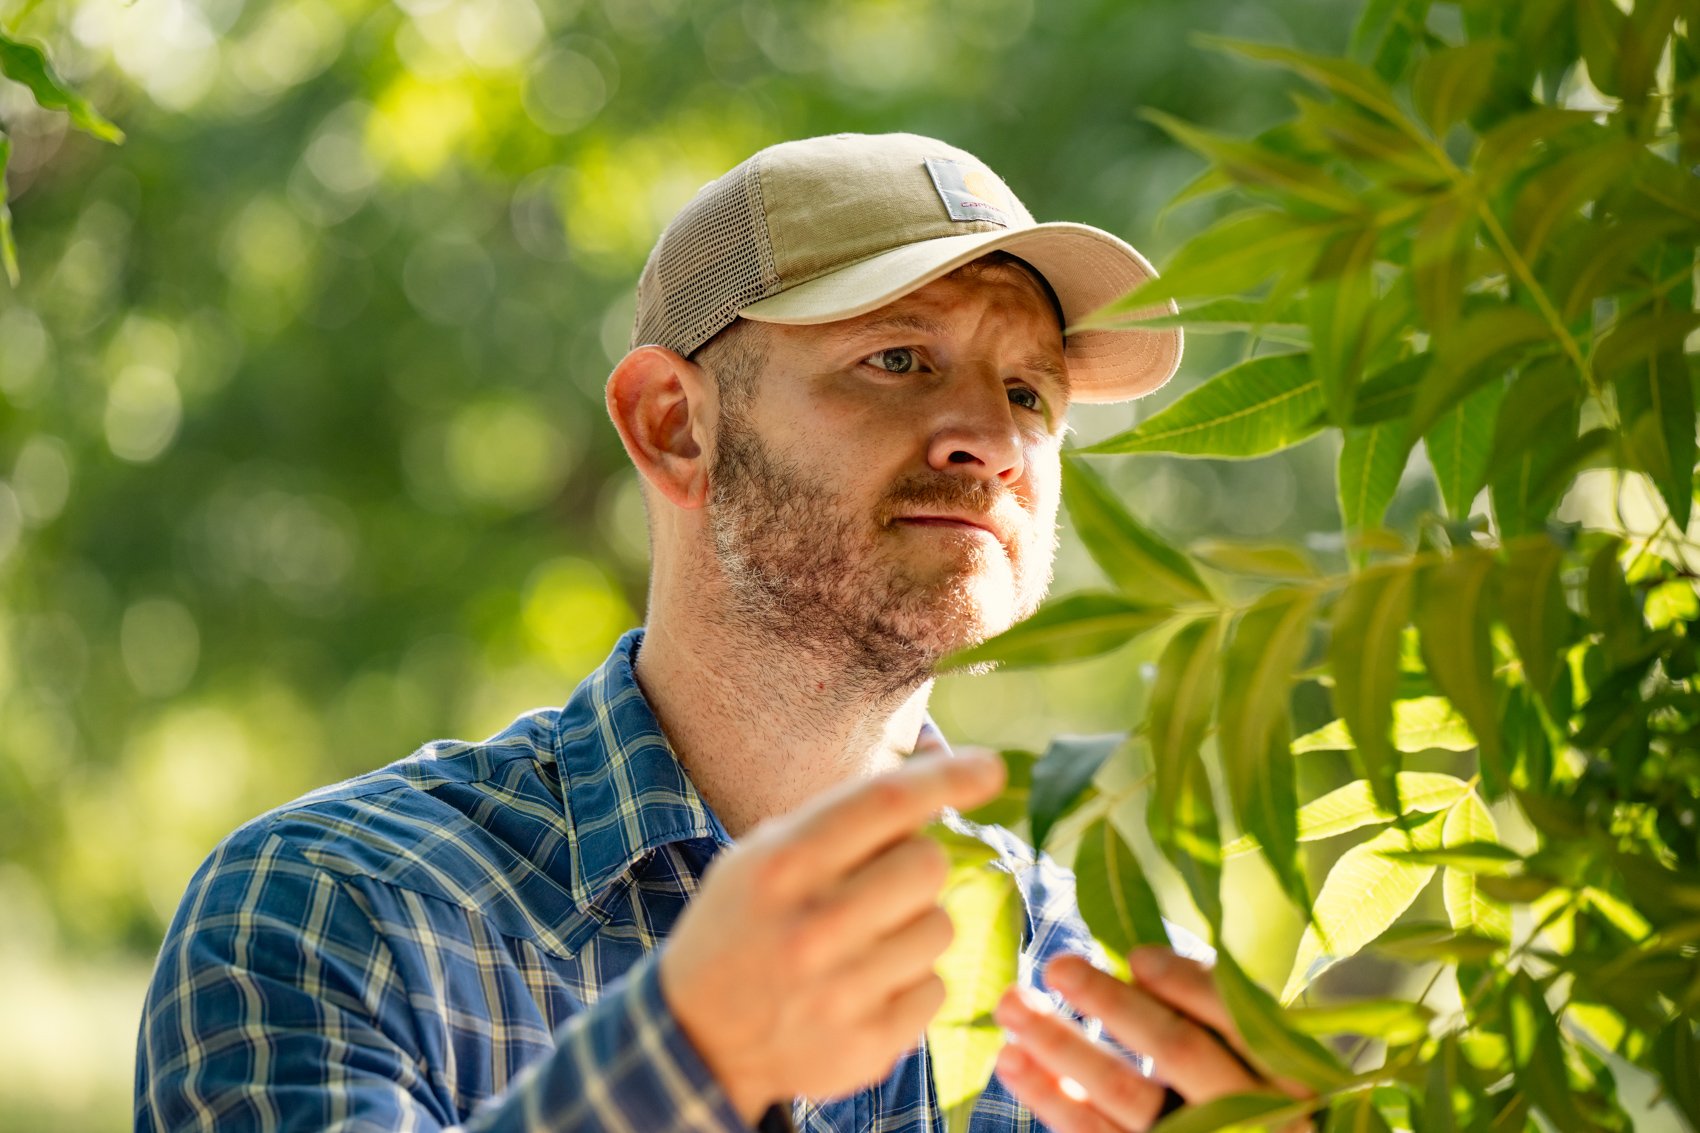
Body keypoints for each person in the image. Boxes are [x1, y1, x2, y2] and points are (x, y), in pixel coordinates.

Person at [135, 132, 1304, 1133]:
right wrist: (680, 1063)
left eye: (1029, 394)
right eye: (897, 358)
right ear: (671, 427)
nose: (988, 439)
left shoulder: (1079, 977)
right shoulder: (336, 909)